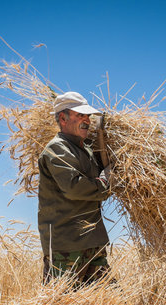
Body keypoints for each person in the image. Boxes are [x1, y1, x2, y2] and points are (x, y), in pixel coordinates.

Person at [38, 91, 113, 288]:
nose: (87, 120)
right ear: (63, 118)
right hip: (67, 248)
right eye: (80, 115)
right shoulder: (57, 149)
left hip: (92, 243)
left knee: (109, 304)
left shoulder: (85, 149)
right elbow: (75, 188)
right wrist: (106, 181)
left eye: (88, 116)